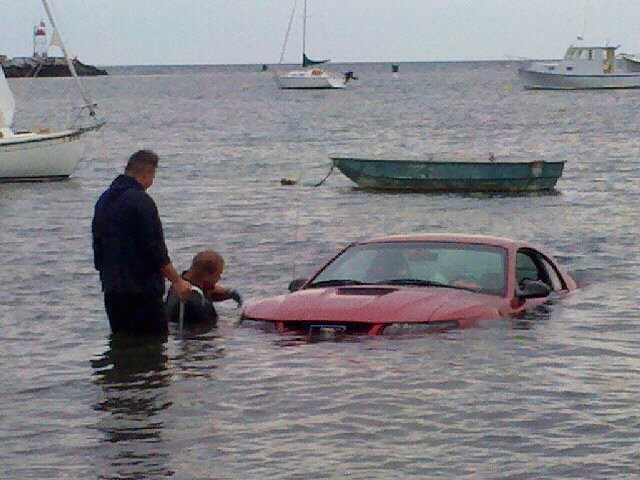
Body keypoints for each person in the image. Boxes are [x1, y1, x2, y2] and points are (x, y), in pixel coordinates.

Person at [92, 149, 192, 335]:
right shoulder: (141, 201)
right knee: (153, 350)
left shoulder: (104, 200)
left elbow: (98, 248)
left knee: (123, 349)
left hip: (112, 291)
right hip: (142, 293)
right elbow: (156, 251)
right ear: (147, 173)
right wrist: (177, 281)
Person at [165, 250, 242, 327]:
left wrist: (229, 293)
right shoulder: (198, 305)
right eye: (218, 274)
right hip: (194, 336)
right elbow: (212, 331)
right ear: (206, 275)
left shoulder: (178, 286)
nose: (219, 278)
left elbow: (204, 292)